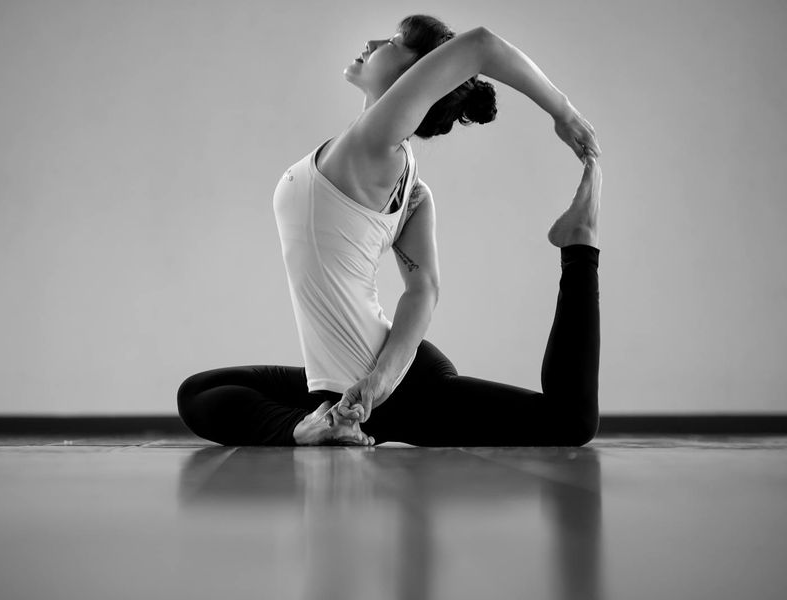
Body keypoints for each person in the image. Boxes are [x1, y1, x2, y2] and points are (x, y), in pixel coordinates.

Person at [177, 14, 603, 447]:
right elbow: (423, 289)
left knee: (569, 422)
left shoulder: (373, 145)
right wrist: (378, 378)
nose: (373, 42)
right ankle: (311, 427)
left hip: (397, 391)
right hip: (362, 380)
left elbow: (481, 45)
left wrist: (563, 112)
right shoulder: (409, 184)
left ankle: (579, 244)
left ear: (417, 74)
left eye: (395, 42)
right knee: (199, 393)